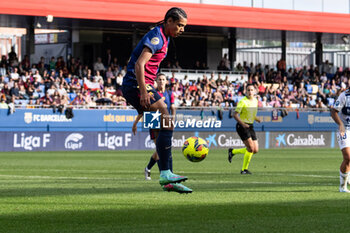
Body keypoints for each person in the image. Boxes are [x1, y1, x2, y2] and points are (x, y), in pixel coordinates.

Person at [121, 7, 191, 193]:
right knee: (167, 119)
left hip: (139, 86)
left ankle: (168, 179)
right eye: (179, 25)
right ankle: (167, 174)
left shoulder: (165, 37)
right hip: (136, 85)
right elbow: (139, 64)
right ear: (169, 21)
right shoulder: (157, 37)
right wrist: (143, 92)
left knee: (162, 131)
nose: (182, 29)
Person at [132, 73, 175, 180]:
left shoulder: (169, 94)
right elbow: (143, 109)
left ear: (166, 81)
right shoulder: (152, 92)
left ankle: (148, 168)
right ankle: (166, 174)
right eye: (159, 79)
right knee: (162, 149)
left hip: (165, 121)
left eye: (163, 79)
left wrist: (172, 120)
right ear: (156, 81)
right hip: (153, 119)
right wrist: (135, 123)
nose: (161, 81)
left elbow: (173, 108)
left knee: (163, 149)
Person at [228, 84, 261, 174]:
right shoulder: (243, 101)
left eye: (251, 90)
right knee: (250, 148)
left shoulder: (255, 101)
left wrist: (257, 119)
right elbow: (235, 115)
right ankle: (244, 170)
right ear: (245, 92)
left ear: (255, 91)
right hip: (242, 126)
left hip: (250, 126)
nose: (250, 92)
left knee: (255, 150)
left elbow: (252, 114)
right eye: (248, 90)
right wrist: (243, 124)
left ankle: (233, 151)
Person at [331, 89, 350, 192]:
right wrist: (341, 124)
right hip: (344, 130)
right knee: (348, 157)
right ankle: (342, 187)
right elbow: (333, 112)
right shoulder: (344, 96)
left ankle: (348, 174)